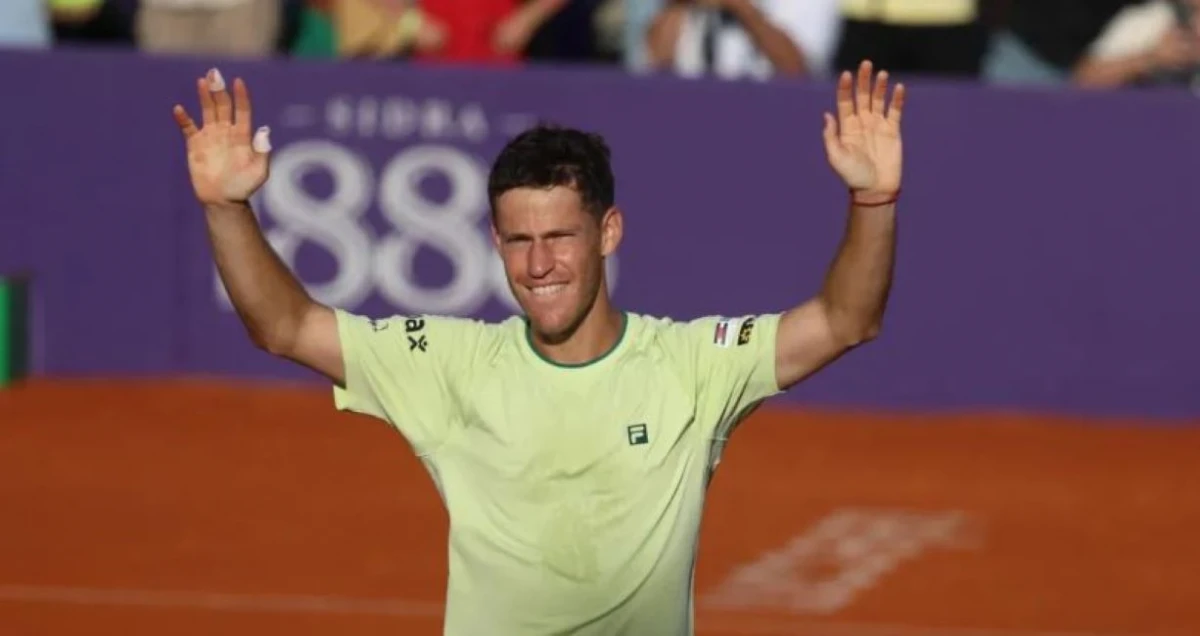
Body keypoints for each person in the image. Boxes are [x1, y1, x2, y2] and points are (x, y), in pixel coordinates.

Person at [170, 59, 903, 635]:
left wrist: (873, 201)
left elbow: (846, 320)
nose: (538, 265)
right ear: (494, 243)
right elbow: (287, 326)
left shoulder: (694, 364)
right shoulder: (451, 365)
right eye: (517, 241)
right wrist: (226, 208)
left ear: (608, 233)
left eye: (559, 237)